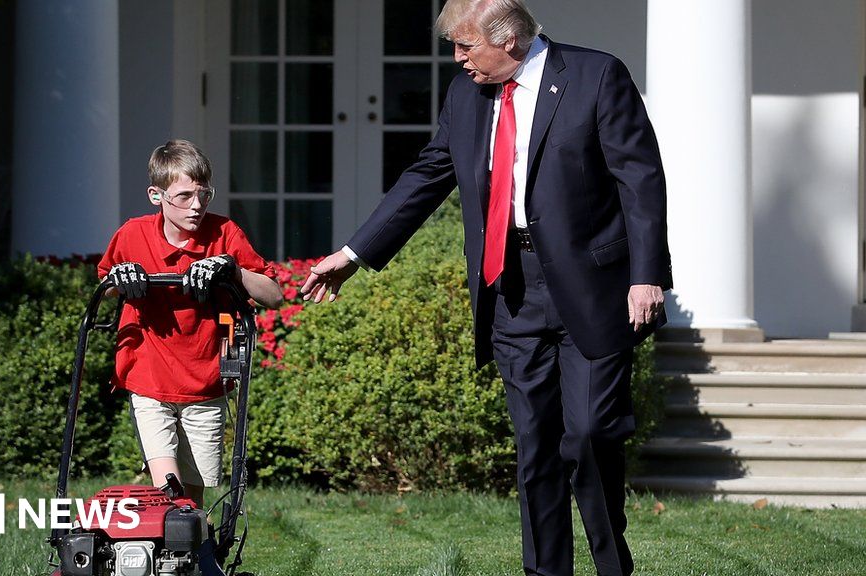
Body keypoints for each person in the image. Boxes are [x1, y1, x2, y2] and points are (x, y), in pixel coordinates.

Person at [300, 1, 671, 574]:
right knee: (536, 449)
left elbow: (640, 179)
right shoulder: (465, 96)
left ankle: (610, 566)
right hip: (509, 289)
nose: (457, 58)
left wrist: (646, 275)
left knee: (591, 436)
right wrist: (353, 255)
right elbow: (425, 176)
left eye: (465, 45)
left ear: (511, 41)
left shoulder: (596, 76)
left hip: (593, 289)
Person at [99, 139, 283, 508]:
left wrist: (233, 269)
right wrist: (121, 279)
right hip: (149, 376)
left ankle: (191, 555)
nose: (196, 206)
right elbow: (104, 287)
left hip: (206, 382)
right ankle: (167, 551)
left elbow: (273, 295)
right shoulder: (132, 235)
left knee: (194, 498)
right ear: (157, 195)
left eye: (204, 195)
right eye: (184, 196)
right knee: (168, 487)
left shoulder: (224, 234)